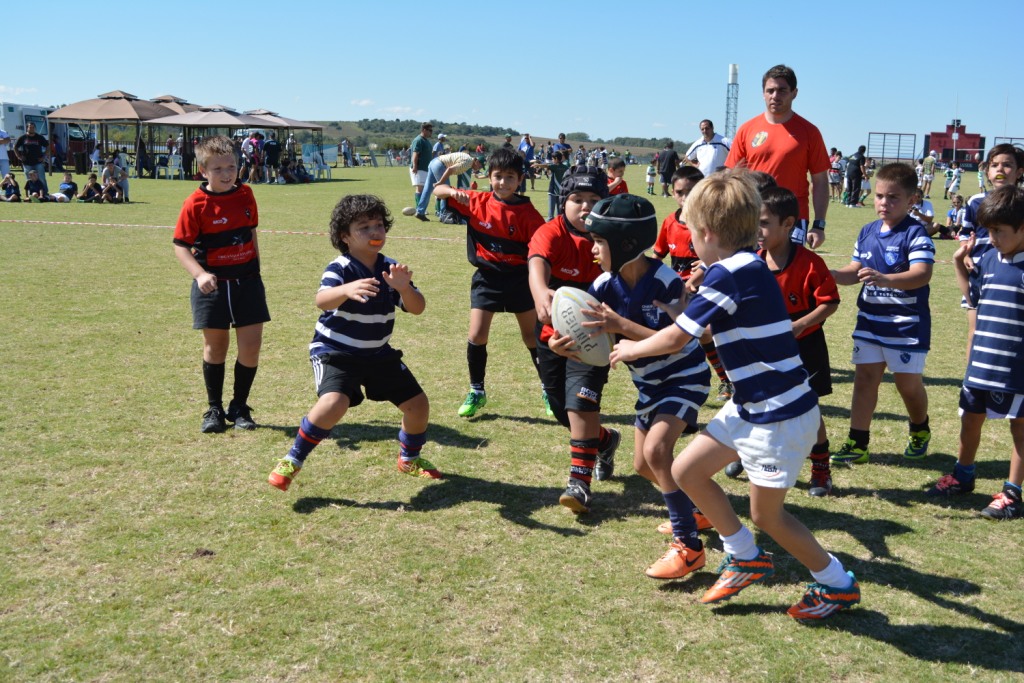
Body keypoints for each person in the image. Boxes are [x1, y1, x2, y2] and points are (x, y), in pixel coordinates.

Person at [609, 170, 860, 621]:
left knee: (768, 516)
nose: (687, 241)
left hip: (777, 414)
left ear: (707, 233)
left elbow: (677, 340)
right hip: (751, 404)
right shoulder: (744, 266)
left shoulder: (729, 275)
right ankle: (744, 556)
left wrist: (628, 345)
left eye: (688, 230)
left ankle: (836, 583)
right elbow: (706, 324)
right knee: (686, 469)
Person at [267, 194, 439, 491]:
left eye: (379, 225)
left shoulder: (391, 268)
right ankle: (293, 459)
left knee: (418, 405)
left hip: (377, 353)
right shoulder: (340, 267)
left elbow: (418, 307)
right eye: (364, 227)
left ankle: (409, 458)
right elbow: (321, 300)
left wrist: (404, 288)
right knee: (334, 402)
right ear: (345, 236)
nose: (375, 232)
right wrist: (346, 289)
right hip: (336, 351)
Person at [583, 194, 711, 578]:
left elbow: (680, 338)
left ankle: (688, 546)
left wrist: (621, 327)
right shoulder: (603, 286)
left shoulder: (668, 283)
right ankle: (698, 509)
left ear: (624, 245)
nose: (592, 250)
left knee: (657, 450)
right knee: (642, 465)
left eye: (599, 243)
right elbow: (590, 337)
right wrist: (565, 342)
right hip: (648, 385)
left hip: (683, 378)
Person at [926, 185, 1024, 520]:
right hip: (981, 362)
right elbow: (974, 300)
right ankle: (963, 474)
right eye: (988, 230)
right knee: (970, 420)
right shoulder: (988, 259)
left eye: (999, 231)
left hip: (1016, 368)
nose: (992, 237)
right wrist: (957, 265)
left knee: (1020, 427)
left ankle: (1012, 493)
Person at [527, 166, 620, 512]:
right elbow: (538, 267)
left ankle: (578, 484)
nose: (584, 207)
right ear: (563, 202)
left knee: (580, 403)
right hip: (552, 336)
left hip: (595, 335)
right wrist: (540, 294)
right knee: (558, 406)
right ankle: (606, 440)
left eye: (593, 201)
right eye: (577, 200)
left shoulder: (611, 237)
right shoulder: (549, 233)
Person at [829, 163, 935, 465]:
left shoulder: (915, 233)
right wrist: (832, 274)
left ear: (912, 199)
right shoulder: (867, 232)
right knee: (864, 379)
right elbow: (855, 271)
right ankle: (858, 442)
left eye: (893, 198)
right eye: (878, 196)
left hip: (905, 325)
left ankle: (919, 428)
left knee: (907, 386)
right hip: (869, 322)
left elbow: (922, 274)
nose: (883, 203)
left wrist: (887, 278)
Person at [433, 147, 546, 418]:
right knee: (476, 335)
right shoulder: (477, 201)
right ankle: (477, 391)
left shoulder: (530, 216)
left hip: (520, 280)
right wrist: (451, 191)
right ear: (489, 177)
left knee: (532, 337)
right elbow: (437, 190)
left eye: (510, 177)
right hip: (487, 278)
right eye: (498, 176)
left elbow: (541, 252)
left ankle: (549, 389)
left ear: (520, 180)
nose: (503, 183)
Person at [746, 186, 841, 496]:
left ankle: (820, 469)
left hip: (805, 347)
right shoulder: (752, 262)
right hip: (765, 348)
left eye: (763, 223)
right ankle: (755, 457)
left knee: (808, 409)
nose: (757, 231)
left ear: (788, 224)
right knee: (761, 406)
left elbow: (830, 302)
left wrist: (800, 324)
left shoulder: (810, 263)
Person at [172, 135, 269, 434]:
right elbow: (180, 246)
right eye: (218, 169)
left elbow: (251, 234)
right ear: (203, 171)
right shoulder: (195, 203)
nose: (227, 174)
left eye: (232, 166)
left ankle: (239, 406)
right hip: (212, 287)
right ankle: (214, 408)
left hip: (248, 283)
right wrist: (199, 274)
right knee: (216, 347)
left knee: (250, 348)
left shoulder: (246, 194)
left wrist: (257, 271)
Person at [725, 64, 829, 249]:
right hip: (752, 216)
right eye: (770, 90)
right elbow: (732, 176)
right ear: (763, 93)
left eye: (782, 90)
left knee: (786, 276)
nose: (775, 96)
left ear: (794, 93)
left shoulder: (809, 132)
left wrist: (819, 225)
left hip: (792, 219)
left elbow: (820, 181)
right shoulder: (747, 129)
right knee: (751, 272)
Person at [407, 151, 484, 220]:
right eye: (480, 166)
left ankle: (420, 212)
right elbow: (450, 169)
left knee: (428, 189)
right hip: (440, 165)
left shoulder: (468, 159)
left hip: (434, 162)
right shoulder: (468, 163)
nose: (479, 169)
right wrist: (441, 182)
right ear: (476, 161)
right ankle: (444, 215)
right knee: (446, 191)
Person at [532, 150, 569, 221]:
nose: (552, 160)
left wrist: (537, 165)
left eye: (552, 159)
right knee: (559, 214)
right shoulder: (565, 167)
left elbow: (546, 165)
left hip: (552, 191)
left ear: (556, 159)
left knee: (550, 215)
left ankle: (548, 228)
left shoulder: (555, 166)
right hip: (561, 192)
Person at [14, 122, 49, 194]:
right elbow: (15, 147)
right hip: (27, 162)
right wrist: (18, 156)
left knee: (41, 178)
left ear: (35, 128)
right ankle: (31, 193)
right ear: (27, 128)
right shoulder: (23, 137)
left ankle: (45, 193)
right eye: (30, 127)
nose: (31, 128)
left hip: (38, 162)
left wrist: (43, 157)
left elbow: (48, 146)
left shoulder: (39, 137)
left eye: (33, 127)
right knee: (29, 179)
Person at [409, 122, 433, 216]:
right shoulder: (418, 140)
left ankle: (421, 208)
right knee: (420, 188)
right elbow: (415, 154)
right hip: (419, 168)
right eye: (430, 130)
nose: (431, 132)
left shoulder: (426, 140)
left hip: (426, 168)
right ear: (424, 130)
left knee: (425, 189)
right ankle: (419, 208)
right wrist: (415, 166)